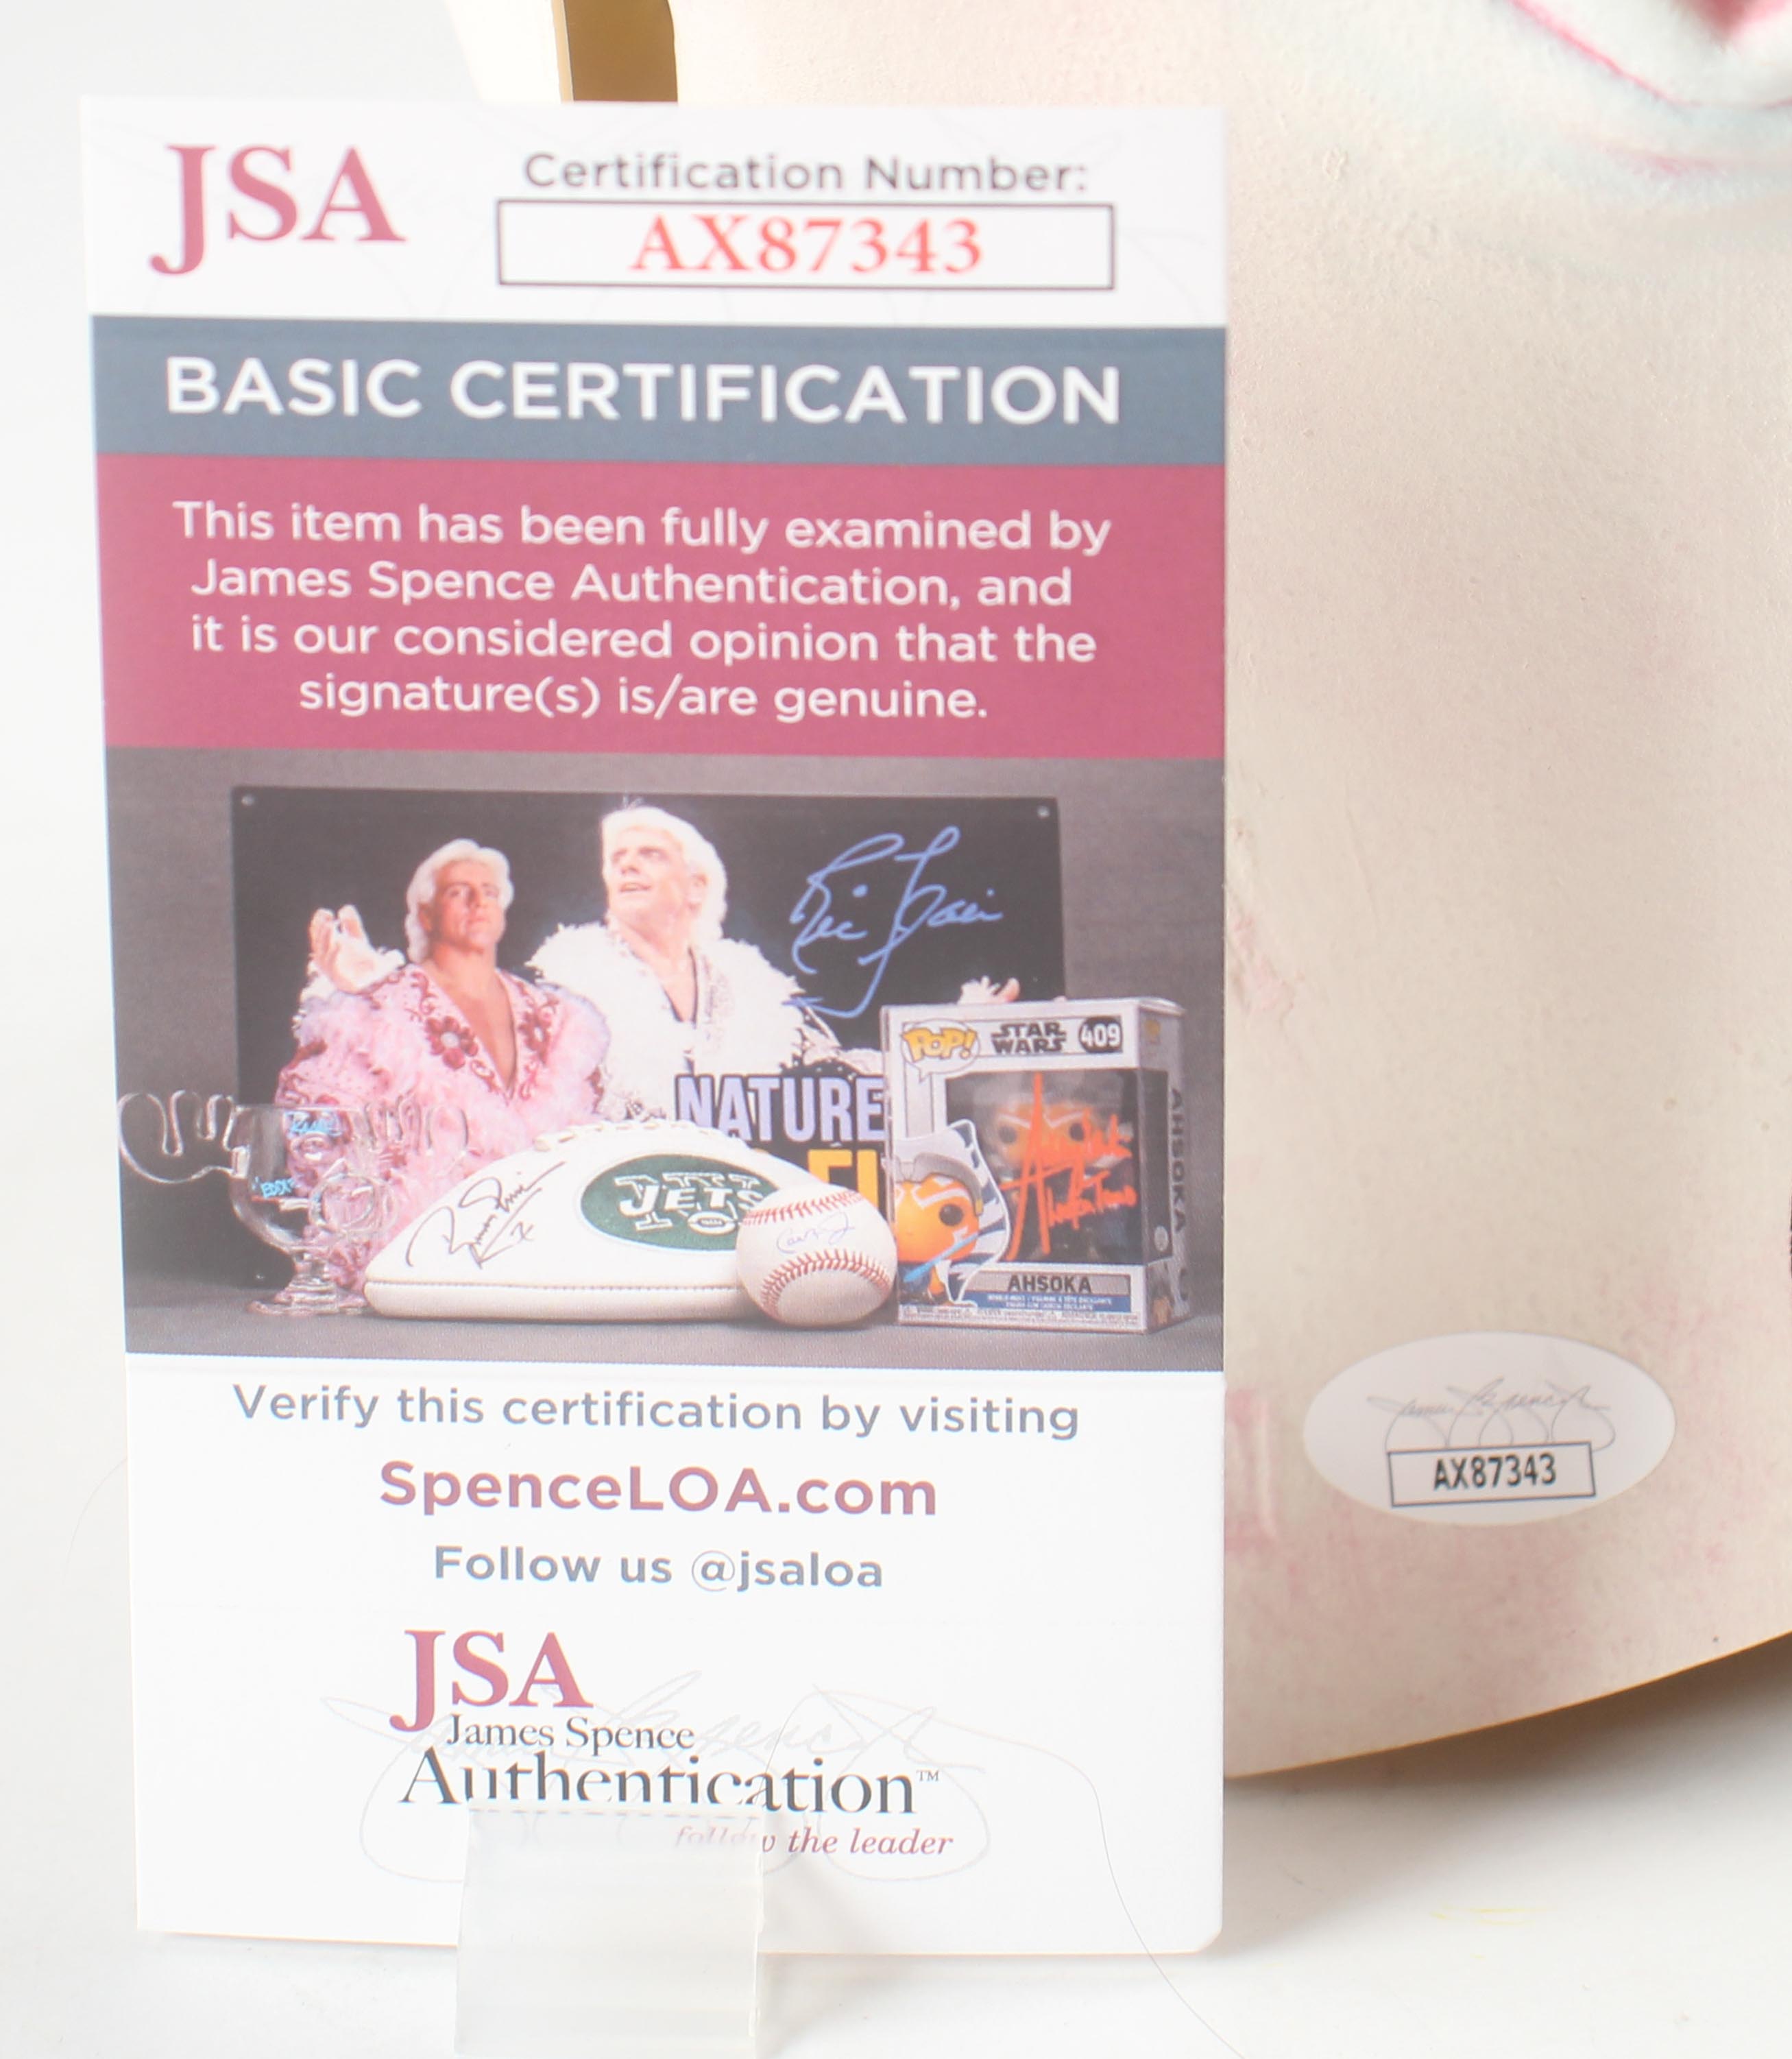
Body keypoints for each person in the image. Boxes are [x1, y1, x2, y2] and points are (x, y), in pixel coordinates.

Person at [283, 839, 610, 1260]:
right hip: (424, 1251)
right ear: (426, 914)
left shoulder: (555, 1019)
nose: (478, 902)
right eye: (459, 892)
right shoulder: (375, 1012)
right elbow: (315, 1136)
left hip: (543, 1250)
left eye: (490, 892)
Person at [527, 804, 870, 1118]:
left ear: (696, 887)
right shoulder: (563, 982)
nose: (627, 866)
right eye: (617, 858)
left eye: (651, 855)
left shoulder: (754, 986)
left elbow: (834, 1072)